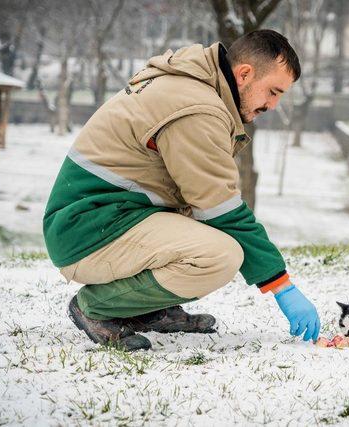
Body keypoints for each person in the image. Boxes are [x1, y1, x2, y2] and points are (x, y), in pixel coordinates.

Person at [43, 30, 321, 351]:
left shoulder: (190, 86)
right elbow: (219, 207)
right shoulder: (196, 108)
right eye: (273, 92)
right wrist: (281, 286)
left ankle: (144, 311)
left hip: (101, 218)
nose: (273, 105)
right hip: (88, 229)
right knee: (219, 254)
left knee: (204, 236)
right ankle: (97, 306)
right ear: (244, 74)